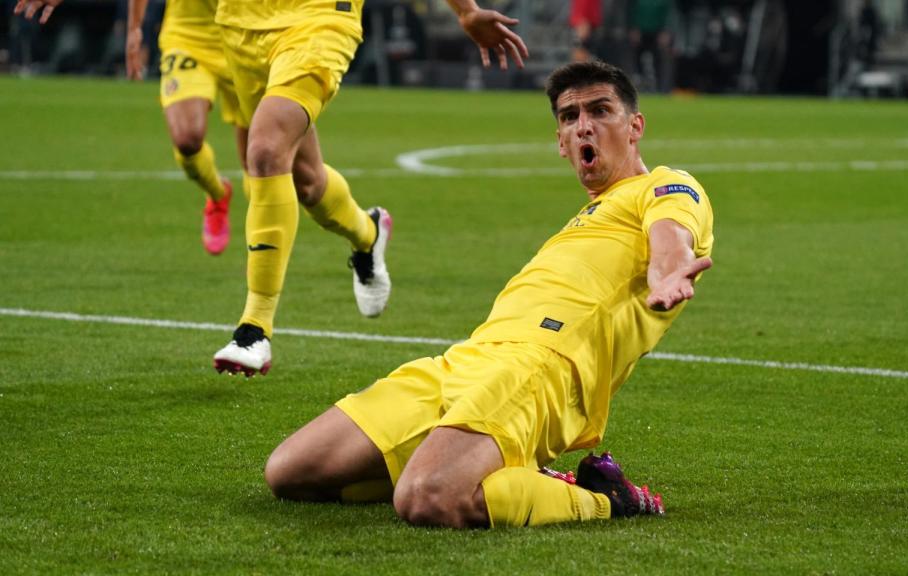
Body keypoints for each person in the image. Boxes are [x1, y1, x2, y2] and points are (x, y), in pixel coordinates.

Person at [261, 61, 714, 528]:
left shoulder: (663, 186)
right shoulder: (590, 215)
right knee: (290, 473)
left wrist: (667, 276)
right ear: (560, 142)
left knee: (426, 499)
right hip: (468, 359)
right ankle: (477, 462)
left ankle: (605, 498)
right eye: (569, 116)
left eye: (600, 111)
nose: (584, 126)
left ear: (635, 126)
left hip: (541, 367)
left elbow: (671, 239)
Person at [16, 0, 530, 377]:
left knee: (264, 151)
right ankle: (367, 233)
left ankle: (254, 330)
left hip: (317, 21)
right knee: (304, 182)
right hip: (238, 29)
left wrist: (464, 11)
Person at [126, 0, 246, 256]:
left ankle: (266, 258)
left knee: (264, 161)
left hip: (246, 36)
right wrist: (135, 28)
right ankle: (217, 193)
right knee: (186, 138)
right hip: (188, 35)